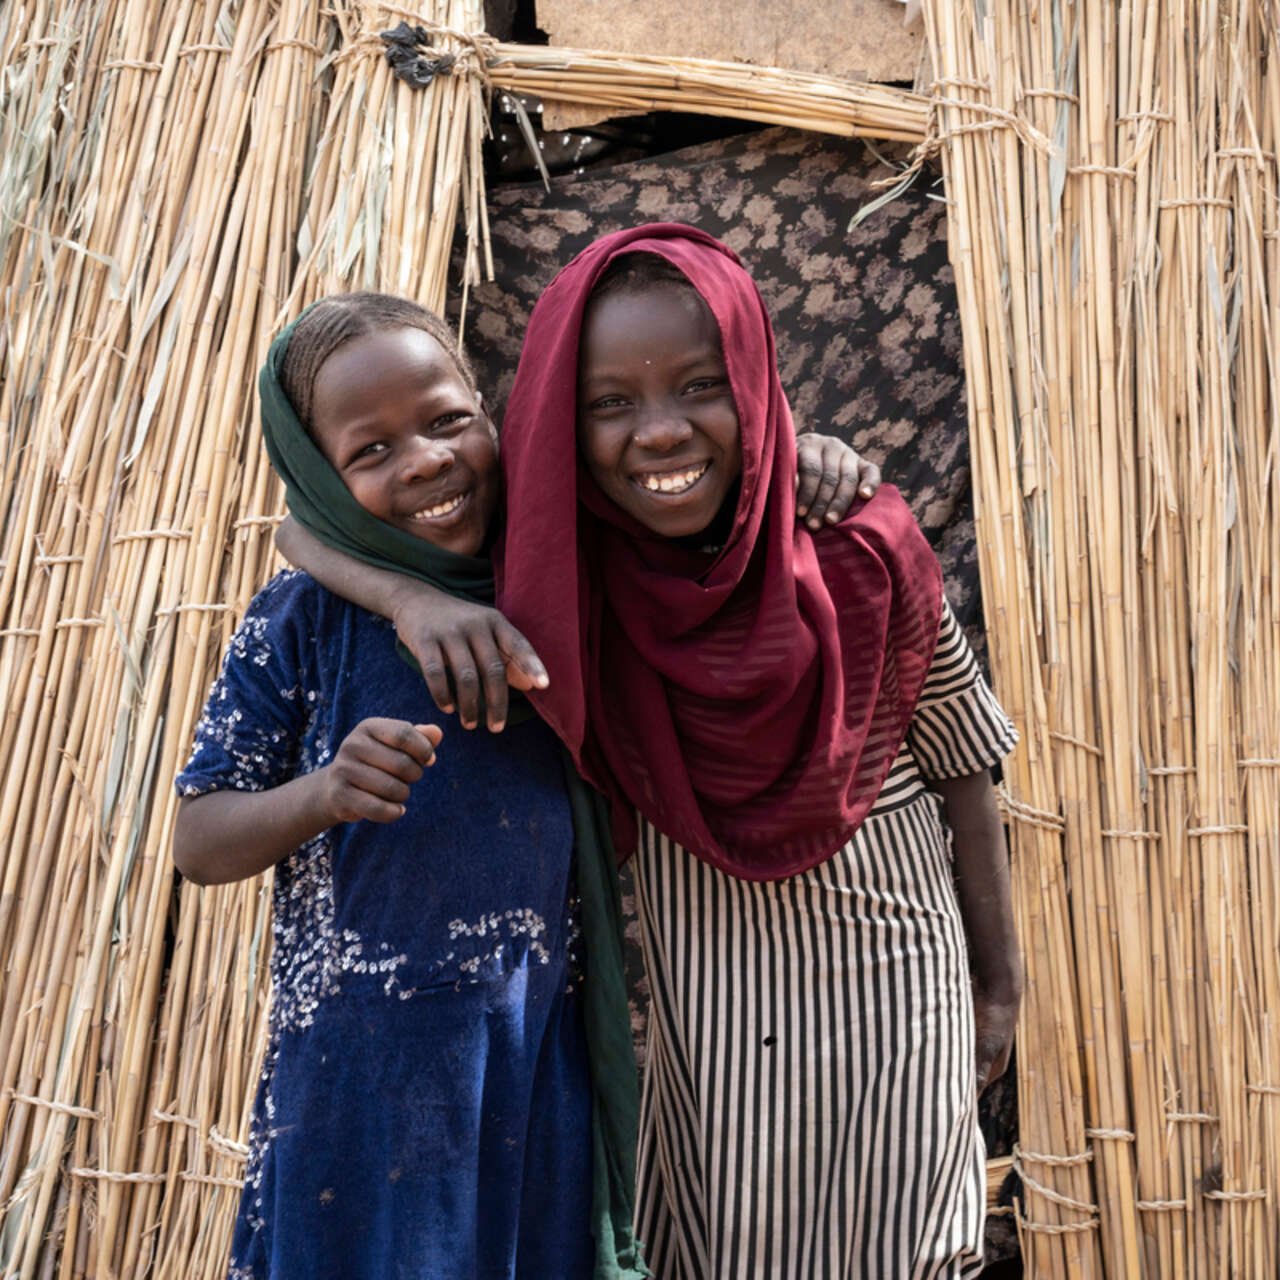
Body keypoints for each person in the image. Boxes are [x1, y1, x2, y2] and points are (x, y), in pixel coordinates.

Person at [289, 226, 1022, 1278]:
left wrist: (997, 981)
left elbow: (963, 757)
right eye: (608, 404)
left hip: (895, 998)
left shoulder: (861, 542)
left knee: (901, 1246)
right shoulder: (567, 583)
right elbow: (300, 529)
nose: (660, 432)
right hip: (714, 1037)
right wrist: (405, 596)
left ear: (755, 383)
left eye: (700, 385)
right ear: (557, 423)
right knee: (722, 1247)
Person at [172, 294, 643, 1280]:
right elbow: (198, 837)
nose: (425, 460)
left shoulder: (547, 581)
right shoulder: (301, 619)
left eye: (443, 419)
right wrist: (326, 791)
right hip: (357, 1081)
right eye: (370, 450)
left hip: (525, 1064)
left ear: (488, 407)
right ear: (321, 476)